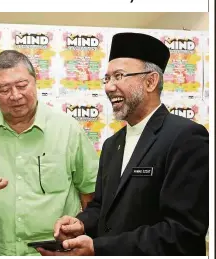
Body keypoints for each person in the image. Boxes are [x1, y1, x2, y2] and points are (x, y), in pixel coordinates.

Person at [37, 32, 209, 256]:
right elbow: (101, 206)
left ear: (150, 81)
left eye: (119, 76)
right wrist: (80, 224)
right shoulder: (112, 144)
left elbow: (181, 232)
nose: (109, 87)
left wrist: (98, 248)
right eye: (107, 79)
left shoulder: (186, 137)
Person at [0, 50, 99, 255]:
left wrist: (87, 236)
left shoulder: (68, 130)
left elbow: (90, 193)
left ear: (36, 82)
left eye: (22, 85)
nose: (15, 95)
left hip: (55, 253)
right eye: (4, 89)